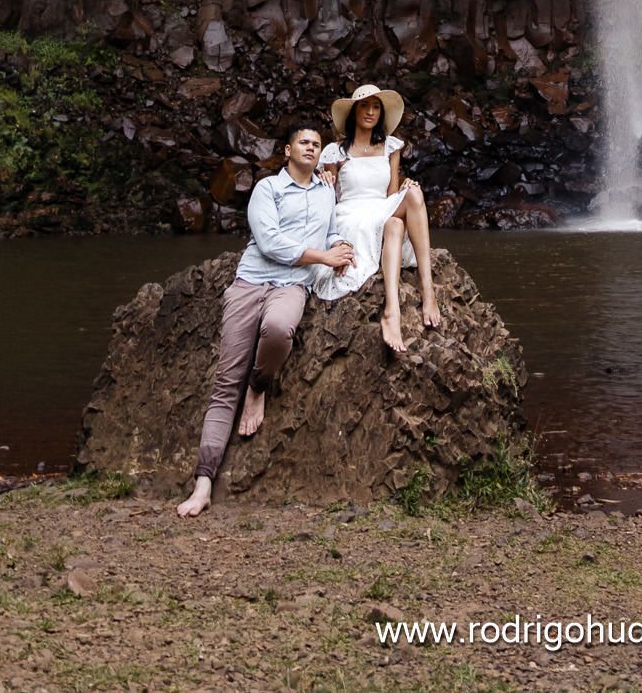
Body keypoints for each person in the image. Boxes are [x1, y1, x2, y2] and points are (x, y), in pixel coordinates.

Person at [175, 121, 353, 519]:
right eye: (303, 142)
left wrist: (339, 247)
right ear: (287, 151)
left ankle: (260, 384)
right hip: (251, 281)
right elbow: (269, 241)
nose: (310, 147)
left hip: (293, 286)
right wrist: (324, 258)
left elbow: (331, 233)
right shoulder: (267, 189)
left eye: (316, 144)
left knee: (278, 330)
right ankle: (203, 483)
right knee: (225, 382)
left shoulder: (327, 192)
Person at [316, 82, 443, 354]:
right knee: (395, 225)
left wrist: (405, 190)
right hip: (350, 213)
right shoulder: (335, 152)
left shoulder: (390, 147)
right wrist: (325, 178)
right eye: (365, 105)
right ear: (354, 111)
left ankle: (423, 293)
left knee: (412, 194)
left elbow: (391, 193)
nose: (371, 112)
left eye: (376, 107)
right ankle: (393, 312)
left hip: (381, 206)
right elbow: (326, 198)